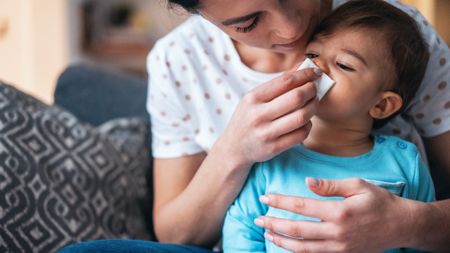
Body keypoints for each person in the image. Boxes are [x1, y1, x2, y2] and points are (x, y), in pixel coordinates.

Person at [58, 0, 450, 252]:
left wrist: (409, 224)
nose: (293, 31)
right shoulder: (178, 61)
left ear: (385, 103)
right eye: (248, 22)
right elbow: (182, 235)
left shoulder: (392, 33)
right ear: (201, 15)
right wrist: (234, 151)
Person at [222, 1, 434, 252]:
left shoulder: (404, 163)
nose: (317, 67)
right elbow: (242, 228)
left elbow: (423, 241)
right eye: (312, 55)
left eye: (343, 64)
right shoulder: (274, 157)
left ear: (382, 105)